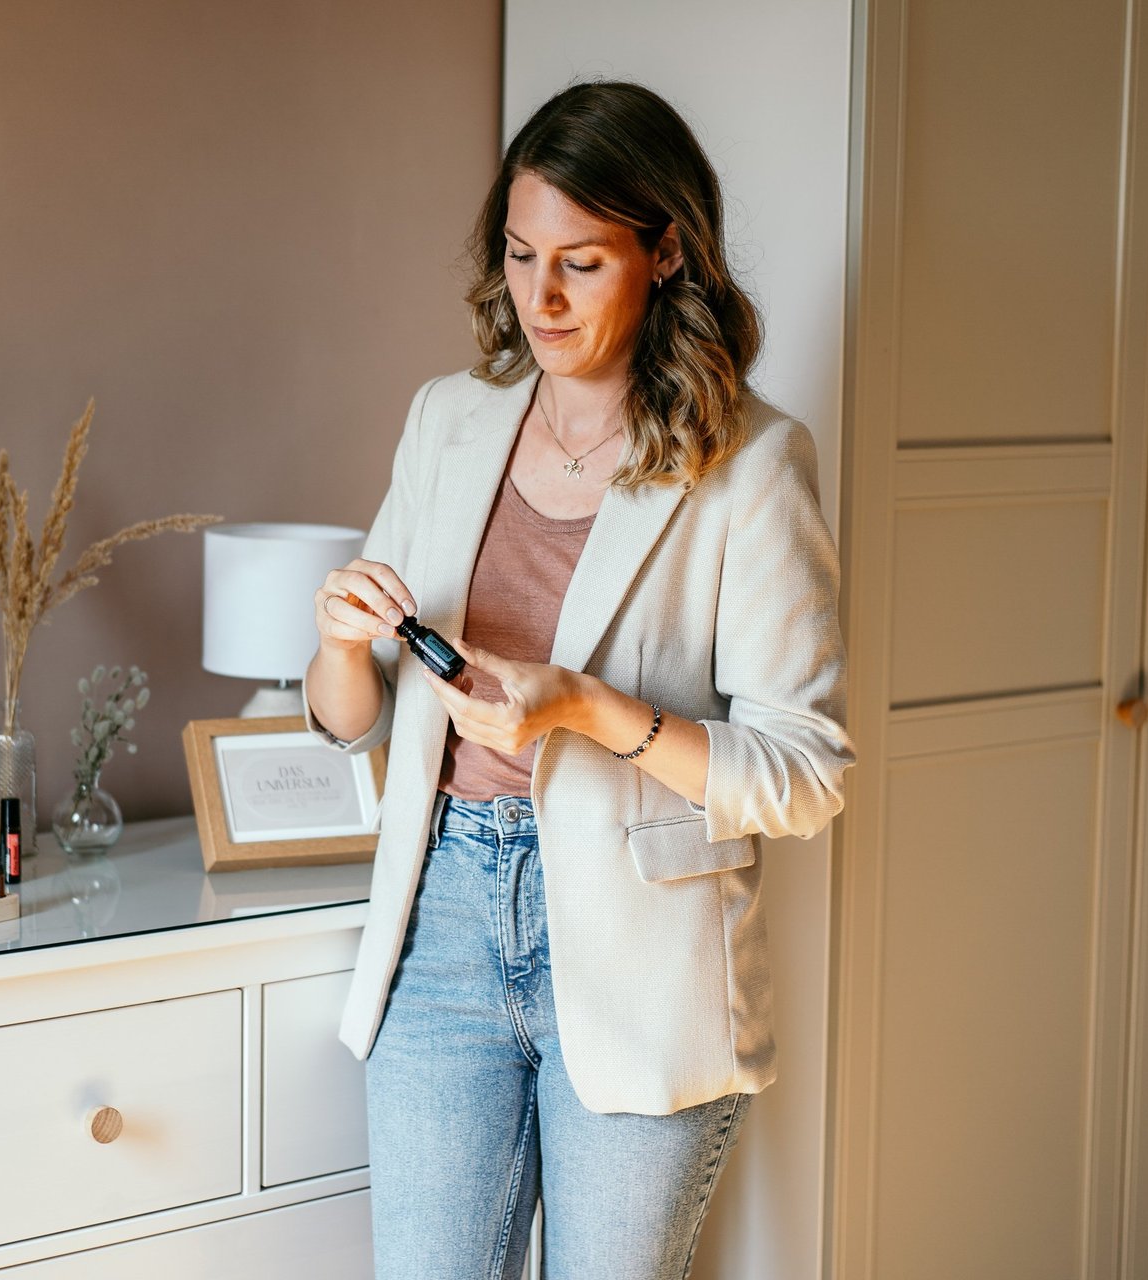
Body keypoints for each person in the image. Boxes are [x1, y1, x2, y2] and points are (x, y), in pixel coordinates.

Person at [301, 79, 855, 1280]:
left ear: (665, 254)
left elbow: (806, 775)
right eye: (518, 254)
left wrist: (587, 708)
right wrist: (345, 643)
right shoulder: (448, 419)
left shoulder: (752, 464)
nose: (539, 298)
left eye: (582, 263)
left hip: (638, 949)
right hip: (442, 914)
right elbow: (352, 725)